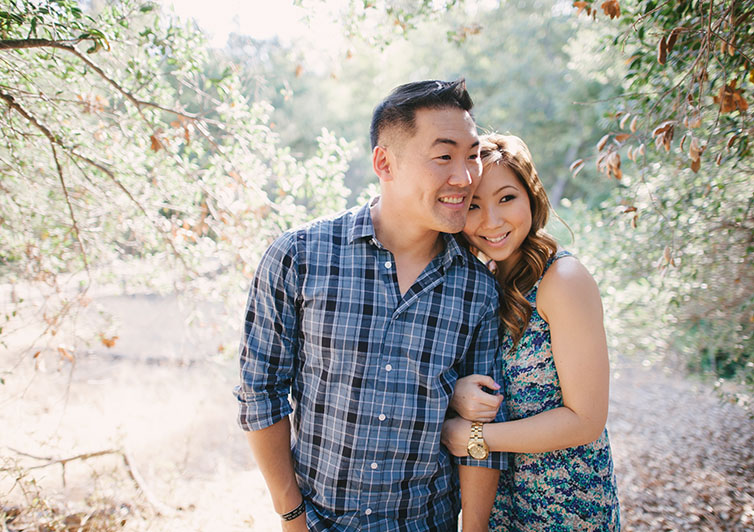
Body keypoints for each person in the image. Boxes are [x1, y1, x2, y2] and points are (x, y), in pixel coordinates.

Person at [235, 79, 507, 532]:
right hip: (318, 522)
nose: (465, 176)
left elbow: (481, 424)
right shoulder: (300, 256)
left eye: (473, 154)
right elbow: (259, 392)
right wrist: (291, 516)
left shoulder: (477, 289)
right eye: (444, 156)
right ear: (385, 162)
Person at [442, 133, 620, 530]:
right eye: (474, 206)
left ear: (531, 197)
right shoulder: (481, 285)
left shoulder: (563, 280)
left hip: (567, 507)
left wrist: (476, 438)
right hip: (501, 508)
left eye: (506, 198)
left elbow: (586, 419)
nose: (492, 221)